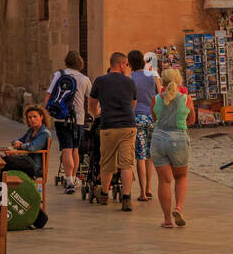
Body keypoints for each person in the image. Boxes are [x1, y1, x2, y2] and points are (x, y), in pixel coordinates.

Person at [88, 51, 137, 211]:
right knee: (127, 163)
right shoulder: (129, 82)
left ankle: (103, 193)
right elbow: (133, 104)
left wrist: (97, 114)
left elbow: (92, 103)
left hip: (108, 125)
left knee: (107, 162)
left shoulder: (100, 81)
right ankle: (126, 198)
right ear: (121, 64)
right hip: (128, 126)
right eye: (126, 65)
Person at [150, 67, 195, 227]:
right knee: (181, 177)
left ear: (163, 82)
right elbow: (192, 120)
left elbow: (154, 118)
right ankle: (179, 207)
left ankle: (167, 220)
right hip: (179, 139)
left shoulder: (155, 99)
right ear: (179, 81)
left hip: (159, 139)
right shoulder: (186, 98)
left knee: (164, 181)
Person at [45, 50, 92, 194]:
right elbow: (90, 100)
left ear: (66, 61)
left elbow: (48, 96)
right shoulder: (85, 79)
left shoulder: (59, 75)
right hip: (78, 118)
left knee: (66, 148)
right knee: (75, 150)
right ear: (80, 64)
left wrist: (47, 112)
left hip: (61, 117)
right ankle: (76, 178)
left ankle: (69, 179)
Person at [129, 48, 162, 203]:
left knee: (140, 156)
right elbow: (160, 94)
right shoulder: (152, 76)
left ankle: (142, 192)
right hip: (152, 117)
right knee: (149, 156)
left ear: (129, 63)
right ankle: (149, 187)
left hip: (137, 118)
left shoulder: (130, 78)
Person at [0, 105, 51, 180]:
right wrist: (16, 142)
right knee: (5, 163)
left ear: (41, 117)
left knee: (6, 161)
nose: (32, 119)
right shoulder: (31, 131)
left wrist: (21, 145)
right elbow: (17, 140)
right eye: (30, 117)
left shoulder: (44, 133)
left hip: (34, 166)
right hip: (25, 161)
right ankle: (3, 186)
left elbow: (33, 147)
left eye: (35, 117)